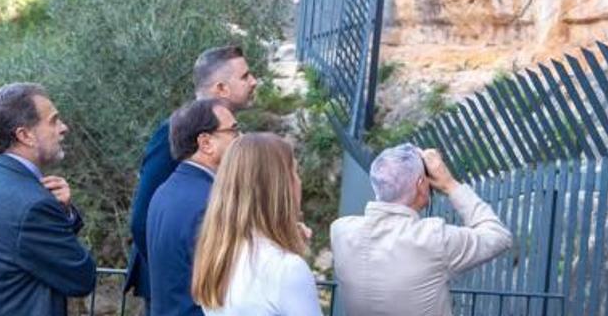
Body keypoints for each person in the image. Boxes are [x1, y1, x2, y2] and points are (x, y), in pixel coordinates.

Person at [125, 46, 258, 308]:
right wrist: (173, 272)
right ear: (221, 88)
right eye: (245, 76)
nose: (253, 81)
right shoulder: (172, 133)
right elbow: (142, 217)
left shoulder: (217, 134)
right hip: (181, 292)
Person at [0, 83, 96, 316]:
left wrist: (63, 213)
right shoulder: (32, 205)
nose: (63, 128)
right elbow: (81, 278)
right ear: (25, 135)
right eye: (53, 120)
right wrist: (60, 216)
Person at [330, 143, 512, 316]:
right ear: (421, 185)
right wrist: (450, 184)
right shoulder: (432, 238)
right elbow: (499, 236)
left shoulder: (340, 231)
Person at [191, 133, 321, 316]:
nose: (299, 182)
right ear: (280, 187)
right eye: (294, 172)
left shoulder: (216, 255)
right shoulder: (286, 269)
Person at [146, 98, 240, 316]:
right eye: (234, 131)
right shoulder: (211, 203)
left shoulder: (163, 192)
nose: (240, 138)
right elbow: (226, 286)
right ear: (206, 143)